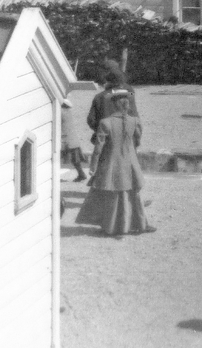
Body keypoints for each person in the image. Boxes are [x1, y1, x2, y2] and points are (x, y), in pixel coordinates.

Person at [76, 90, 153, 236]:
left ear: (114, 105)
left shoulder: (106, 123)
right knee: (132, 194)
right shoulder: (134, 121)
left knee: (112, 194)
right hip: (129, 162)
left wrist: (93, 165)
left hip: (111, 162)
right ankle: (139, 224)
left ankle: (112, 227)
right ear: (127, 105)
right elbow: (138, 140)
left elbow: (98, 148)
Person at [86, 58, 140, 178]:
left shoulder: (99, 97)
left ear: (107, 75)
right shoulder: (130, 92)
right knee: (127, 168)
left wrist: (99, 130)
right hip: (127, 135)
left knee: (105, 169)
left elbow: (91, 120)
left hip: (106, 136)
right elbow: (135, 116)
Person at [61, 94, 87, 182]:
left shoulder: (60, 112)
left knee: (58, 158)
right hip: (72, 138)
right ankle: (81, 174)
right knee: (76, 159)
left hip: (64, 139)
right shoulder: (68, 111)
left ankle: (81, 174)